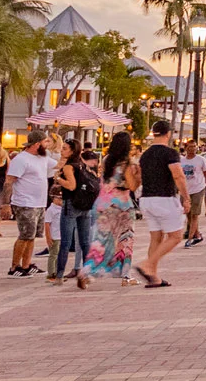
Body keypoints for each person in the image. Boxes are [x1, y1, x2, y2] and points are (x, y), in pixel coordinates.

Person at [134, 121, 185, 287]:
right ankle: (148, 264)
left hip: (147, 198)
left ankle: (153, 276)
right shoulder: (170, 153)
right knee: (176, 236)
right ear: (168, 133)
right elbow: (178, 175)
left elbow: (140, 177)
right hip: (164, 198)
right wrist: (186, 197)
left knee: (156, 237)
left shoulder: (145, 155)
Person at [48, 139, 97, 290]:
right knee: (85, 242)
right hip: (85, 206)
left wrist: (58, 179)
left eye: (65, 149)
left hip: (71, 205)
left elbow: (71, 185)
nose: (62, 151)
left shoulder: (69, 166)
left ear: (72, 151)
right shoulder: (83, 165)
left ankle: (59, 275)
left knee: (66, 242)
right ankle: (86, 274)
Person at [2, 131, 53, 277]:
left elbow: (58, 165)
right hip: (25, 202)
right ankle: (14, 266)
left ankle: (26, 264)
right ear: (37, 144)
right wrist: (6, 204)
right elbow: (9, 181)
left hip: (39, 203)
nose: (47, 145)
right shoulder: (22, 159)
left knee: (32, 236)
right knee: (24, 235)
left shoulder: (42, 158)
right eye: (45, 142)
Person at [89, 154, 141, 286]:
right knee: (126, 239)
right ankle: (126, 275)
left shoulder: (107, 159)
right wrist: (139, 176)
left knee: (102, 239)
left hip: (105, 202)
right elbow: (132, 185)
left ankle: (87, 271)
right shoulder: (126, 162)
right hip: (123, 203)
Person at [179, 141, 206, 244]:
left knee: (195, 214)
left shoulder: (201, 160)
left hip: (198, 188)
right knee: (188, 213)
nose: (192, 149)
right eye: (190, 147)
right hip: (185, 190)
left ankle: (190, 239)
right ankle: (197, 234)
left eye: (194, 147)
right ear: (186, 148)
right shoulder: (181, 161)